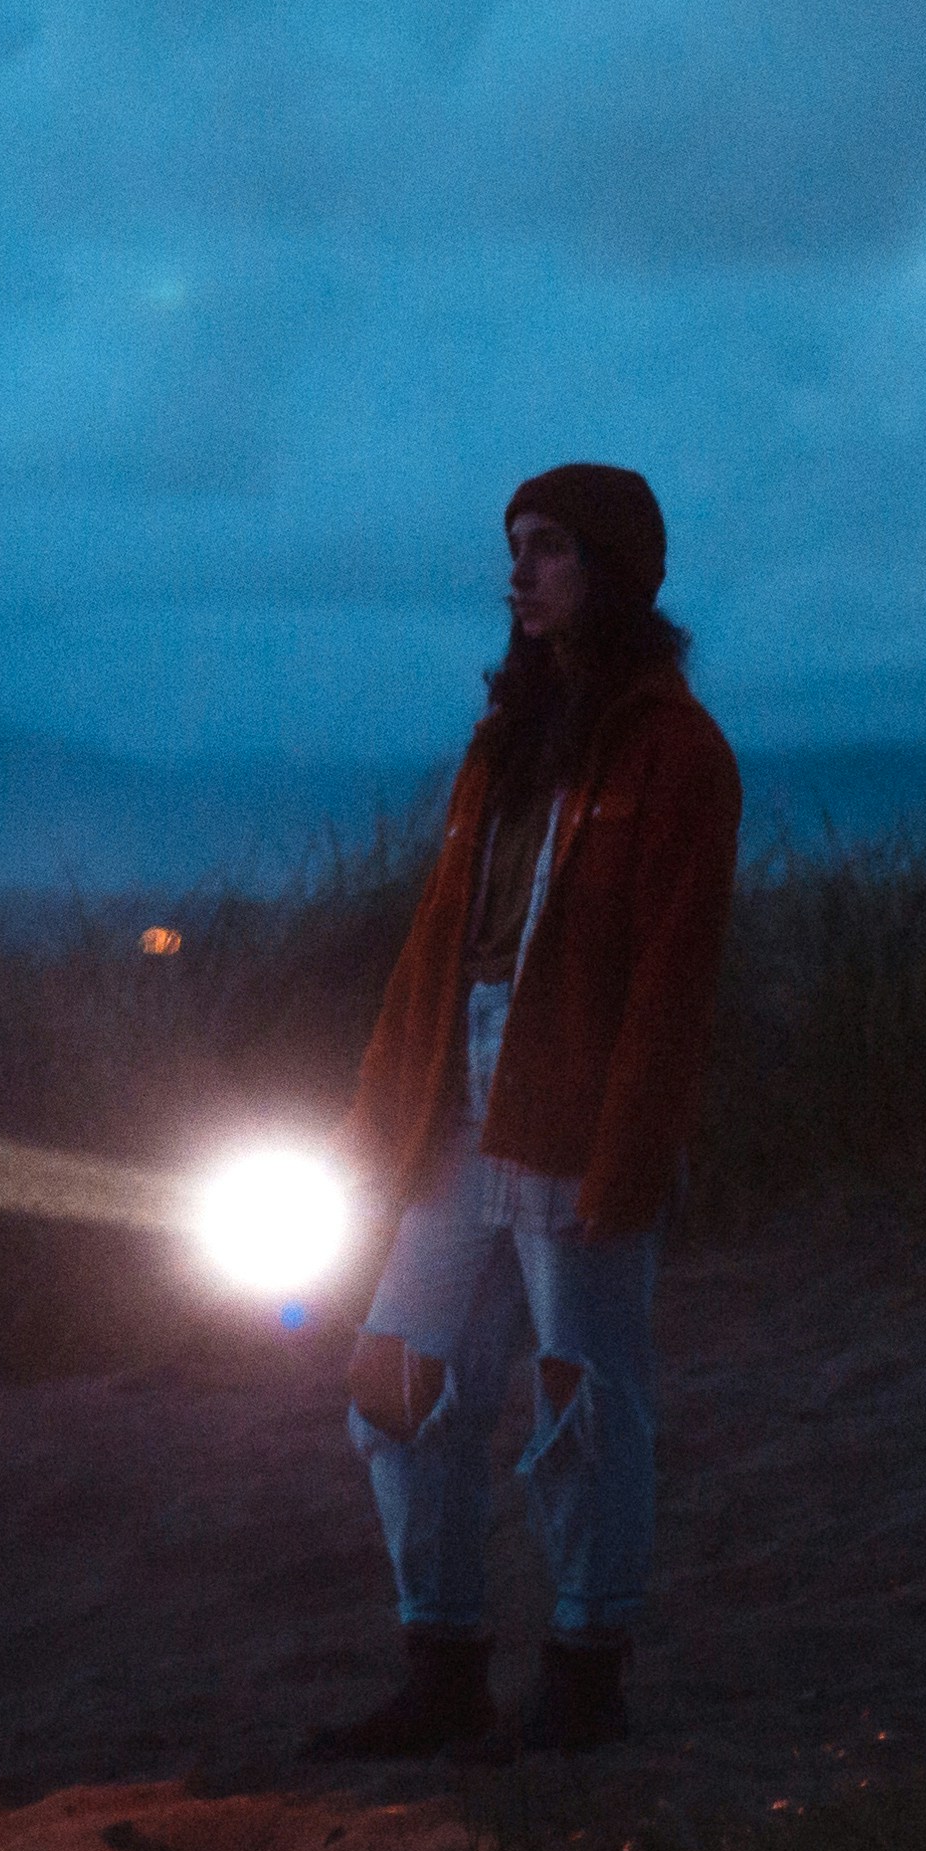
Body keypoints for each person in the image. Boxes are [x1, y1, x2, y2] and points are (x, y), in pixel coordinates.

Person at [304, 462, 741, 1760]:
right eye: (514, 547)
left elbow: (677, 974)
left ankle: (584, 1675)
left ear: (611, 568)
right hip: (457, 1117)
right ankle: (440, 1665)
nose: (520, 572)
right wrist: (375, 1126)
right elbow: (439, 945)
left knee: (587, 1406)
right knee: (399, 1381)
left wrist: (631, 1153)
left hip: (570, 1123)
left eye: (547, 548)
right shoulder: (500, 746)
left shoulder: (676, 753)